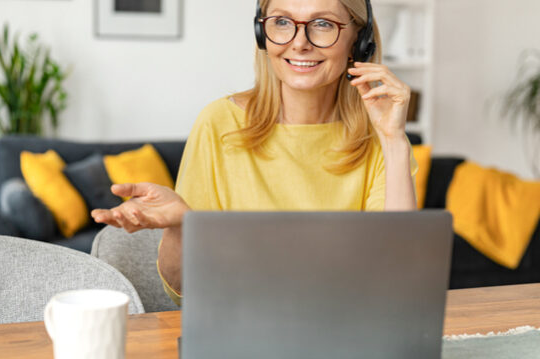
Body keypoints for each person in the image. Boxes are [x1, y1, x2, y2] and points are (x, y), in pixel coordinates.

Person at [92, 0, 418, 306]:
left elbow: (399, 278)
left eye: (321, 23)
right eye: (281, 22)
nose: (299, 42)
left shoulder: (379, 135)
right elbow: (186, 293)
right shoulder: (220, 123)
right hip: (239, 328)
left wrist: (394, 141)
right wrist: (180, 228)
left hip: (348, 328)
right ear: (263, 34)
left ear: (359, 41)